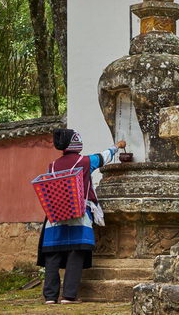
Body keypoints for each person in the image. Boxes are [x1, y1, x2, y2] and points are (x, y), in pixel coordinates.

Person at [36, 128, 125, 305]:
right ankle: (69, 296)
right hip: (78, 214)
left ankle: (50, 297)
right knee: (75, 253)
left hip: (56, 215)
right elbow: (103, 157)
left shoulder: (52, 165)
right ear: (76, 142)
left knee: (52, 255)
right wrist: (117, 146)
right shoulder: (84, 161)